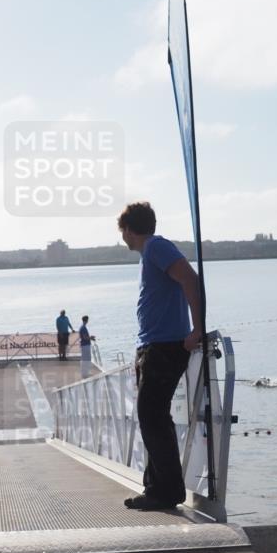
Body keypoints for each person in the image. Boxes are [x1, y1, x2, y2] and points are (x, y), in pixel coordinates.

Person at [118, 201, 202, 510]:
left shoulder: (156, 247)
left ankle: (165, 491)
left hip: (165, 346)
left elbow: (190, 279)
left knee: (152, 416)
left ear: (129, 229)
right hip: (154, 346)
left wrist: (198, 328)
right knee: (152, 416)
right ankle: (158, 488)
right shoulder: (150, 252)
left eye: (123, 231)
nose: (122, 237)